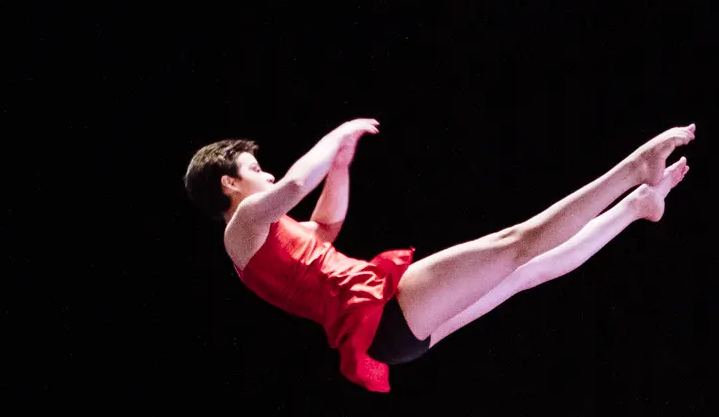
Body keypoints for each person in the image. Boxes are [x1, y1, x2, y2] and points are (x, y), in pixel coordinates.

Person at [182, 121, 693, 391]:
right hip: (377, 311)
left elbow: (324, 227)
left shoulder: (264, 238)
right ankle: (634, 170)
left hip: (389, 339)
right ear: (229, 183)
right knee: (517, 242)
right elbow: (295, 183)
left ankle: (636, 206)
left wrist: (340, 165)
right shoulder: (244, 224)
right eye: (254, 168)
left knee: (523, 273)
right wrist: (336, 135)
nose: (265, 175)